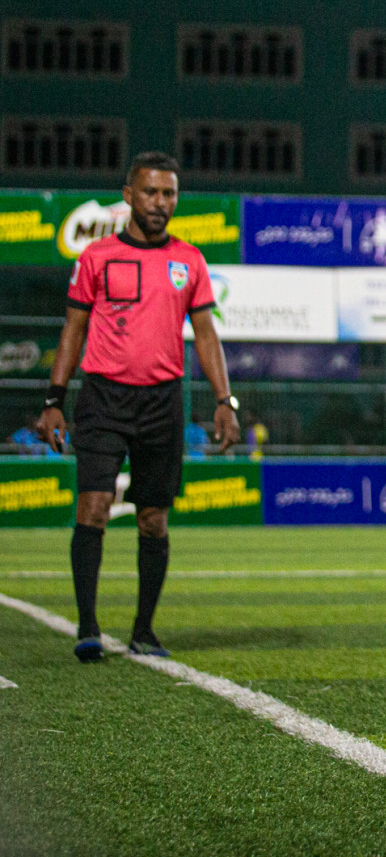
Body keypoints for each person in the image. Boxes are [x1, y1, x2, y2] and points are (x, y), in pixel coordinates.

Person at [36, 152, 240, 662]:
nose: (160, 202)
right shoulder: (96, 257)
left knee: (153, 519)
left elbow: (206, 334)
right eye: (150, 192)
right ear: (128, 196)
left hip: (161, 403)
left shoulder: (189, 261)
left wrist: (223, 400)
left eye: (168, 193)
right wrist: (54, 400)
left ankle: (144, 631)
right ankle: (87, 626)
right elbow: (73, 329)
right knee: (94, 507)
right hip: (103, 397)